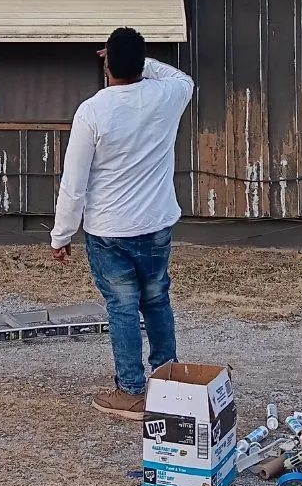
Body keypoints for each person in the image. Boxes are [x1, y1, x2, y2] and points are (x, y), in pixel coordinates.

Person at [50, 27, 194, 421]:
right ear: (142, 63)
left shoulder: (93, 110)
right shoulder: (167, 96)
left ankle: (131, 390)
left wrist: (61, 234)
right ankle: (170, 381)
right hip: (156, 222)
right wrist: (139, 59)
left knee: (123, 307)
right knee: (157, 299)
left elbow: (74, 182)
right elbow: (183, 78)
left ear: (107, 64)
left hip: (109, 229)